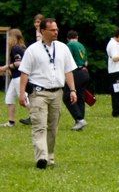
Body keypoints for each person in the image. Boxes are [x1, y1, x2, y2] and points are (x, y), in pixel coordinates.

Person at [18, 18, 78, 169]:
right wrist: (21, 93)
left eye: (57, 29)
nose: (56, 32)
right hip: (38, 93)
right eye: (52, 30)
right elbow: (24, 72)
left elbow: (68, 71)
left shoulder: (63, 48)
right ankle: (41, 158)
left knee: (53, 127)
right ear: (43, 31)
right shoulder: (32, 50)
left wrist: (72, 90)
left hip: (57, 93)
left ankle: (50, 156)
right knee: (39, 125)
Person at [63, 30, 90, 131]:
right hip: (84, 72)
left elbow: (66, 60)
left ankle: (79, 119)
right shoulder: (81, 46)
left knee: (67, 97)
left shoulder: (69, 45)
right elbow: (86, 62)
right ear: (77, 37)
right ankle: (80, 121)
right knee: (80, 97)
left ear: (67, 38)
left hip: (75, 73)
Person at [1, 29, 27, 127]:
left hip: (19, 77)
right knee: (9, 98)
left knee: (24, 100)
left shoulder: (15, 48)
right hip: (15, 77)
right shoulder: (21, 48)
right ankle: (11, 122)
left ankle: (39, 116)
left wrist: (6, 67)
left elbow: (19, 63)